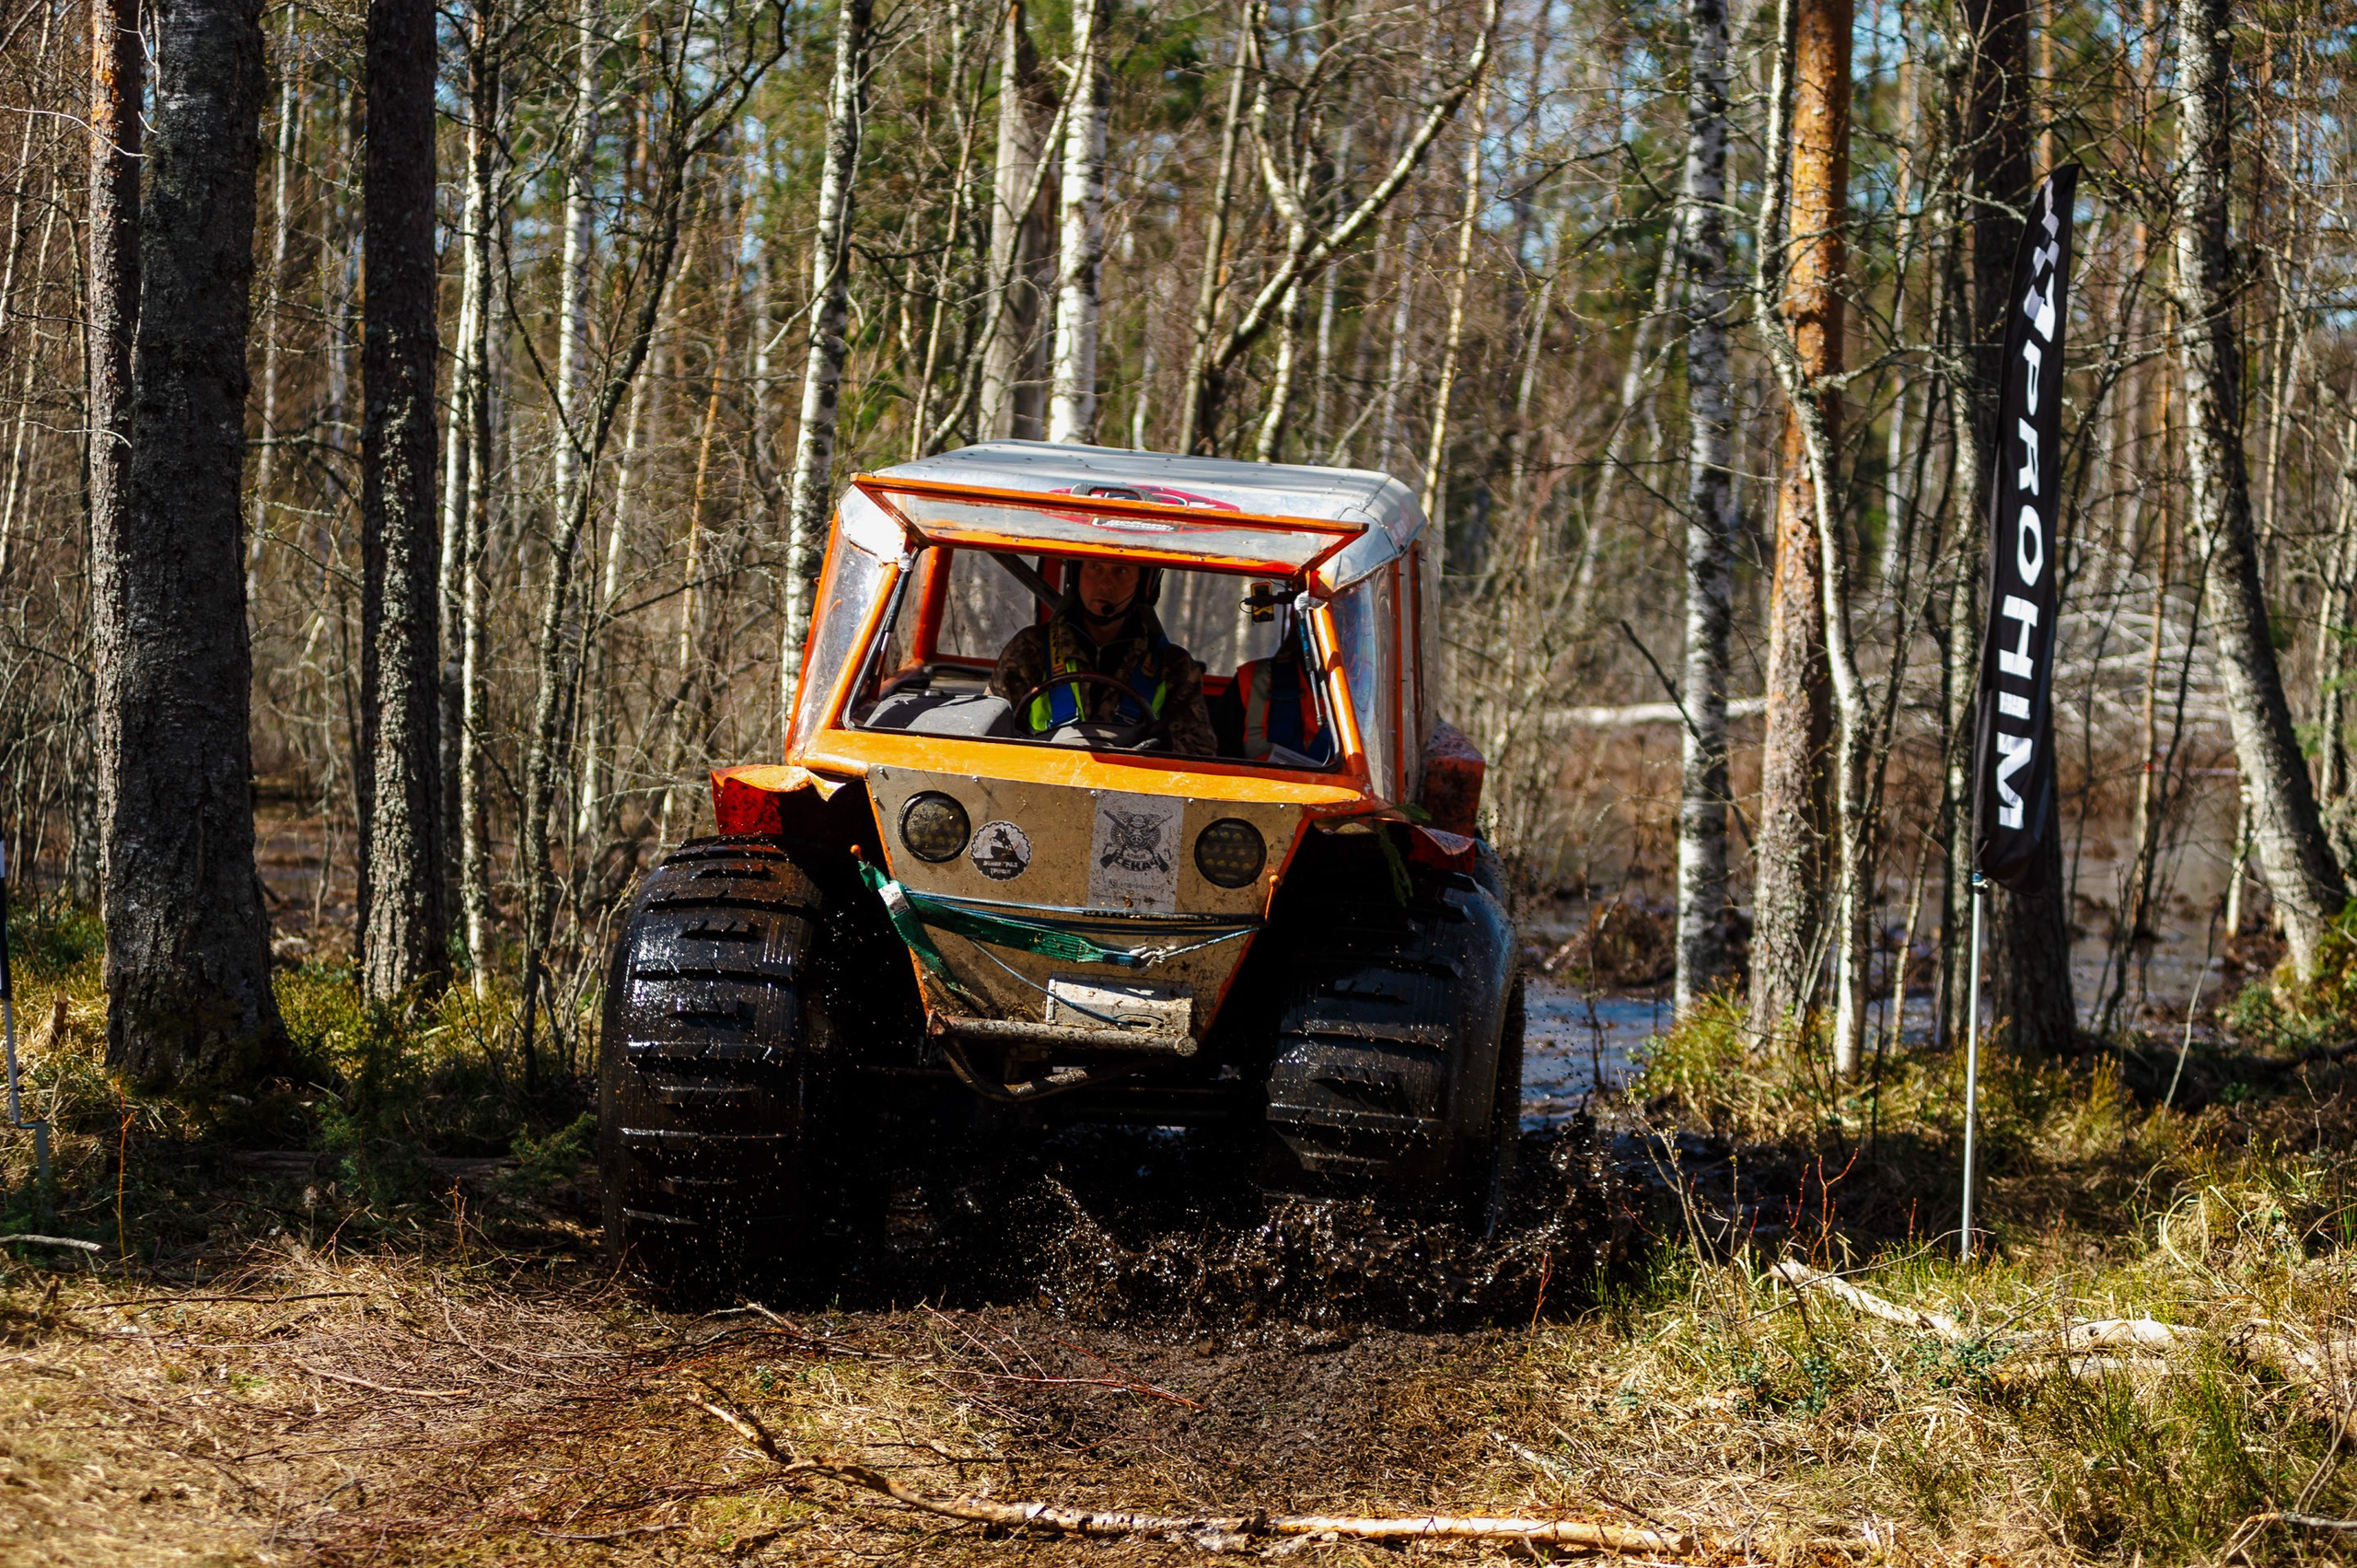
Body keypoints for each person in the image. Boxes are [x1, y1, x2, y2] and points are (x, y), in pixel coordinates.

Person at [990, 557, 1218, 755]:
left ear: (1146, 585)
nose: (1105, 583)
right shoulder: (1029, 649)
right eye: (1094, 567)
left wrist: (1166, 749)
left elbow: (1200, 753)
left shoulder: (1173, 665)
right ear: (1075, 573)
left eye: (1121, 571)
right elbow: (986, 732)